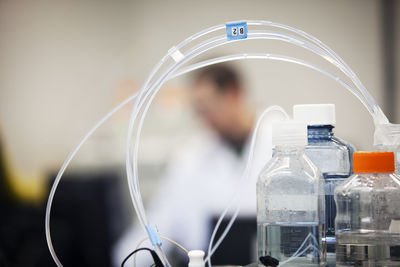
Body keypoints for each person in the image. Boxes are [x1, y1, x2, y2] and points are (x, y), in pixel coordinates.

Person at [113, 64, 273, 266]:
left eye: (208, 108)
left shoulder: (282, 141)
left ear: (234, 94)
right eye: (199, 111)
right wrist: (129, 259)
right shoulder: (191, 157)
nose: (204, 119)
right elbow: (160, 219)